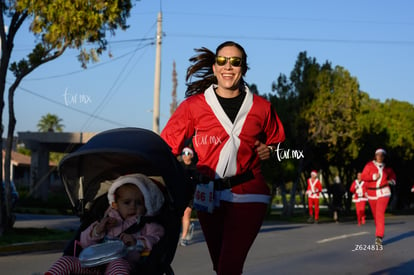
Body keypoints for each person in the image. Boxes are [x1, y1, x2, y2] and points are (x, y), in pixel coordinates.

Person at [160, 41, 285, 275]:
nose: (228, 66)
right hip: (208, 195)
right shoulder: (193, 107)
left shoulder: (262, 107)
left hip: (249, 192)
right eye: (222, 61)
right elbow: (167, 145)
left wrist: (270, 150)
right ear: (215, 67)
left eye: (235, 62)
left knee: (229, 266)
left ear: (244, 69)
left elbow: (278, 142)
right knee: (220, 266)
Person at [45, 174, 165, 275]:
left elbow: (156, 238)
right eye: (127, 202)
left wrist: (137, 242)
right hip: (94, 266)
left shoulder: (147, 224)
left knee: (117, 264)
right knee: (66, 261)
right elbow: (86, 244)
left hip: (124, 264)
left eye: (138, 203)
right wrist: (97, 230)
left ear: (146, 205)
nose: (133, 206)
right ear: (115, 204)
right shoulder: (106, 220)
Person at [361, 148, 396, 246]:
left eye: (382, 155)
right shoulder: (369, 165)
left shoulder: (388, 168)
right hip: (372, 194)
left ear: (384, 157)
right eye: (378, 155)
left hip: (384, 192)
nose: (380, 157)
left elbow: (393, 177)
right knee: (376, 216)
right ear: (375, 156)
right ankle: (379, 232)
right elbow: (363, 176)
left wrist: (391, 181)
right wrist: (372, 177)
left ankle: (379, 236)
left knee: (379, 213)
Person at [179, 146, 197, 246]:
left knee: (186, 213)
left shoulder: (195, 168)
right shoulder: (179, 166)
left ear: (191, 155)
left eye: (187, 153)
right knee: (179, 214)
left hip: (191, 194)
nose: (184, 155)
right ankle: (188, 227)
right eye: (183, 153)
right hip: (180, 192)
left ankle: (184, 237)